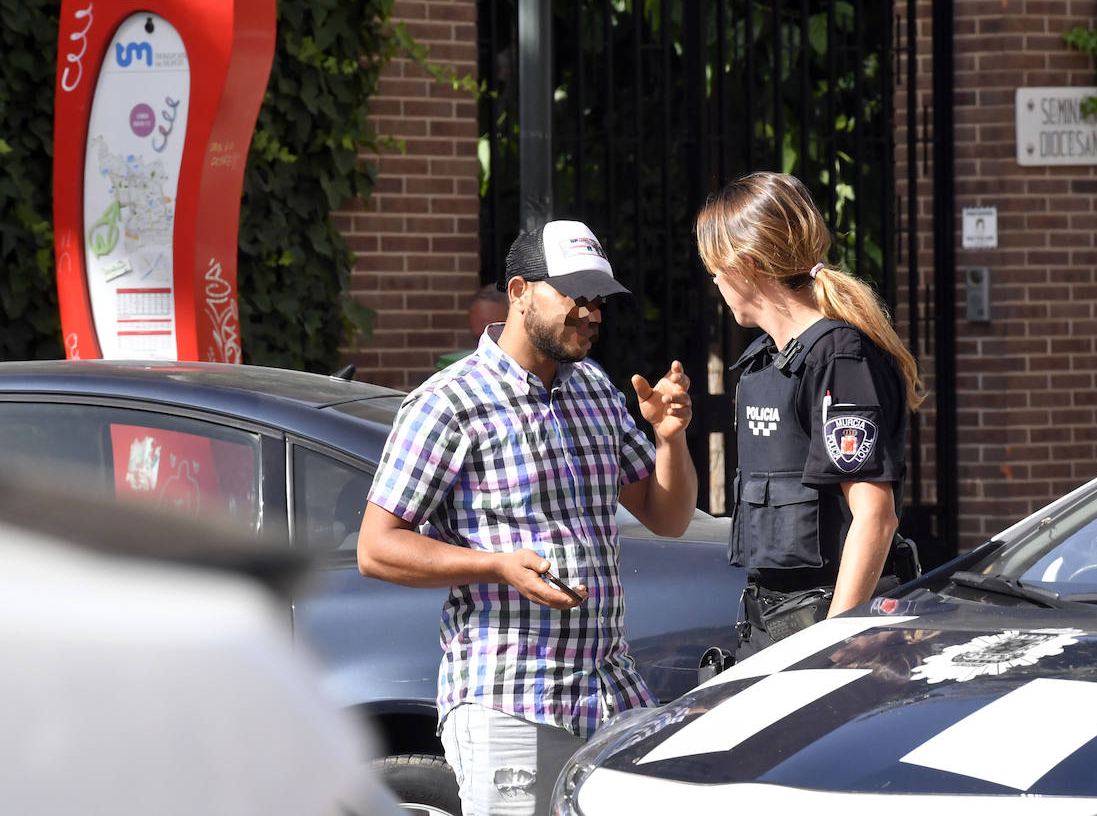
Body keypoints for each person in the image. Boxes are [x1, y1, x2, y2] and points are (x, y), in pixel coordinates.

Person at [356, 219, 697, 816]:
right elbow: (377, 547)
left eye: (598, 300)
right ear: (519, 292)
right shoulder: (448, 402)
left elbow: (667, 517)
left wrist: (670, 438)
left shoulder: (593, 387)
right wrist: (496, 567)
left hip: (609, 696)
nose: (591, 313)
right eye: (574, 296)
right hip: (508, 698)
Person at [695, 171, 922, 661]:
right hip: (775, 628)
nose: (713, 280)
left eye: (716, 267)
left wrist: (833, 647)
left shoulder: (839, 359)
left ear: (746, 266)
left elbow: (875, 517)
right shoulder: (766, 361)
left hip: (830, 636)